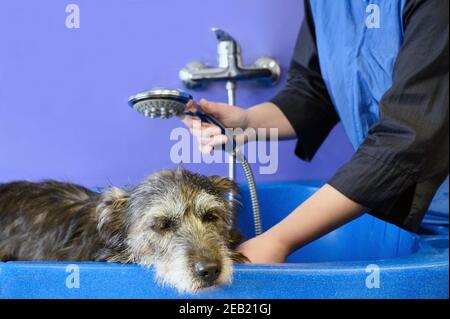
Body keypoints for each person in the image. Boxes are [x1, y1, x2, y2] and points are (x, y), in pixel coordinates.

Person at [183, 0, 449, 263]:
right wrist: (248, 121)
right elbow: (312, 89)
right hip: (388, 205)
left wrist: (279, 240)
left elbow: (407, 136)